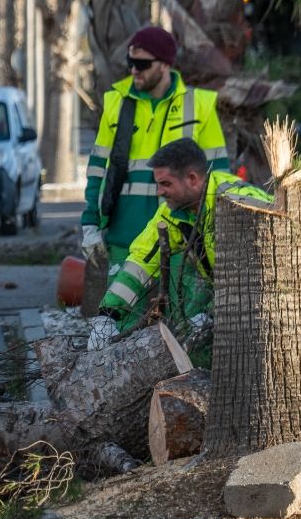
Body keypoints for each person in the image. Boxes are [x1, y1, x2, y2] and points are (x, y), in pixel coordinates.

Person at [80, 27, 227, 315]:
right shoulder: (116, 102)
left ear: (165, 64)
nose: (134, 70)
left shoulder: (199, 105)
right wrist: (89, 223)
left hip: (180, 237)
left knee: (179, 321)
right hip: (124, 236)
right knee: (121, 318)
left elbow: (218, 174)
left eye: (142, 64)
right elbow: (98, 167)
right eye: (130, 63)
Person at [99, 138, 272, 329]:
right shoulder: (172, 212)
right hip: (232, 301)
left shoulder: (238, 204)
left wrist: (211, 313)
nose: (159, 192)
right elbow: (142, 261)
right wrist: (107, 316)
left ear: (192, 179)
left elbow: (254, 275)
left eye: (165, 183)